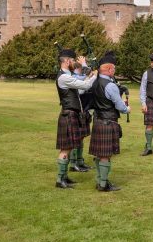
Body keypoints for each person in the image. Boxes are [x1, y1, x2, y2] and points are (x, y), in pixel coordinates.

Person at [55, 49, 97, 189]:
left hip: (72, 114)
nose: (74, 63)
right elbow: (85, 84)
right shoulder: (63, 78)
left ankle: (64, 177)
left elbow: (81, 82)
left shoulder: (68, 76)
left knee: (69, 147)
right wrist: (96, 75)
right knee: (65, 149)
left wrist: (85, 68)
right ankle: (60, 180)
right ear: (67, 61)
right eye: (73, 61)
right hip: (68, 115)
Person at [89, 54, 131, 192]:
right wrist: (127, 108)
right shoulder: (110, 86)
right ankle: (103, 184)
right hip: (108, 122)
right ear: (108, 69)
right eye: (113, 69)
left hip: (97, 120)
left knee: (99, 154)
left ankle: (99, 180)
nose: (114, 71)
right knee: (105, 155)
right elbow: (120, 107)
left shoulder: (94, 82)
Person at [68, 59, 94, 172]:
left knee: (82, 137)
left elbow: (86, 74)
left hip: (84, 111)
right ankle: (73, 164)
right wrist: (91, 77)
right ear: (75, 70)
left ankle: (80, 161)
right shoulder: (73, 78)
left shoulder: (79, 76)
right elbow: (83, 87)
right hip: (77, 111)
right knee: (77, 138)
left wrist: (85, 66)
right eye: (79, 70)